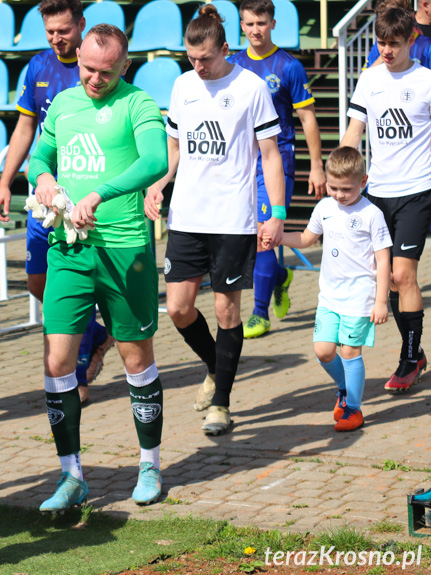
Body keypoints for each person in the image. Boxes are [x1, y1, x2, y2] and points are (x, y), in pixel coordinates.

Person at [28, 24, 169, 511]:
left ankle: (149, 464)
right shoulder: (65, 104)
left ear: (123, 66)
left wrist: (99, 193)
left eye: (105, 72)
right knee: (57, 362)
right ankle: (72, 477)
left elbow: (154, 161)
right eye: (87, 68)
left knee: (136, 358)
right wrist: (44, 178)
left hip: (125, 248)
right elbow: (39, 156)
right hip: (68, 247)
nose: (93, 78)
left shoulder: (139, 104)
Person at [145, 5, 284, 435]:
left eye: (206, 58)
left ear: (225, 48)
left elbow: (269, 155)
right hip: (187, 216)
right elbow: (175, 150)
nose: (199, 66)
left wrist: (275, 214)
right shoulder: (182, 85)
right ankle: (214, 365)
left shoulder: (252, 87)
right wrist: (159, 184)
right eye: (192, 58)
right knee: (178, 308)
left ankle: (221, 403)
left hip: (232, 219)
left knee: (226, 311)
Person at [0, 0, 112, 404]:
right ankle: (96, 335)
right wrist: (6, 181)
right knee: (38, 283)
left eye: (63, 30)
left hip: (83, 194)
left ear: (80, 25)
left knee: (71, 288)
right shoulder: (38, 67)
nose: (57, 38)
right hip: (44, 196)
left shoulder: (97, 70)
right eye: (50, 32)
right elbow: (25, 127)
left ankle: (78, 375)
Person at [267, 147, 390, 432]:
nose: (338, 194)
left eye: (346, 189)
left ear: (363, 182)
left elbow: (383, 260)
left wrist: (381, 301)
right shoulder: (324, 207)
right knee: (323, 351)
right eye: (333, 187)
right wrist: (279, 238)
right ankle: (344, 389)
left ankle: (354, 410)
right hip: (329, 297)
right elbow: (307, 238)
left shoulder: (372, 214)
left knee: (349, 352)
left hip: (360, 298)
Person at [341, 5, 431, 392]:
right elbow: (353, 133)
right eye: (381, 42)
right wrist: (339, 178)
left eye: (394, 43)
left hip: (418, 190)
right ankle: (416, 351)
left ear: (412, 39)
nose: (386, 50)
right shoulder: (370, 78)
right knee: (388, 280)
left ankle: (409, 359)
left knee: (401, 274)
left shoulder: (427, 80)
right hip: (377, 192)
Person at [228, 0, 327, 339]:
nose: (255, 30)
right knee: (250, 233)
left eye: (261, 23)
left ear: (273, 23)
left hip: (278, 159)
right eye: (249, 23)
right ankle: (281, 275)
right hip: (242, 159)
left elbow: (307, 118)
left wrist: (317, 166)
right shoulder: (233, 66)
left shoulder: (289, 67)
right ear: (241, 25)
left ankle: (259, 314)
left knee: (266, 236)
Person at [365, 0, 431, 69]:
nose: (386, 50)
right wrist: (383, 58)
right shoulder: (380, 45)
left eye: (394, 43)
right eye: (382, 43)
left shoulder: (427, 45)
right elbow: (365, 76)